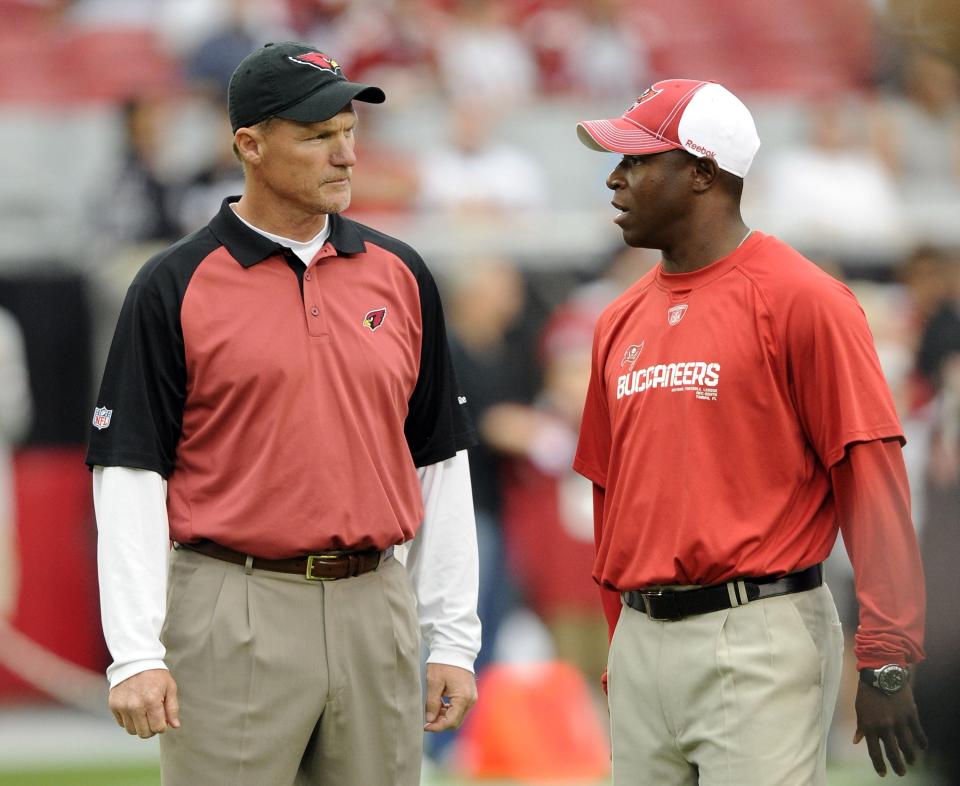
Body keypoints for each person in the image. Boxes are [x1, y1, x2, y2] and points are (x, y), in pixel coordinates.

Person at [86, 42, 480, 786]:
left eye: (348, 132)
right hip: (232, 603)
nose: (344, 156)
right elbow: (130, 474)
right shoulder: (172, 285)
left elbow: (440, 458)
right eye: (316, 136)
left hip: (376, 605)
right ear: (250, 145)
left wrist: (453, 638)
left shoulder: (401, 274)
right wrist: (135, 653)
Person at [572, 79, 927, 785]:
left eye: (639, 160)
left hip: (758, 632)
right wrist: (623, 643)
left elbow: (871, 478)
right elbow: (611, 497)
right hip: (644, 640)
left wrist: (886, 659)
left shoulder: (805, 300)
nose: (615, 178)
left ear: (703, 173)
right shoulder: (616, 321)